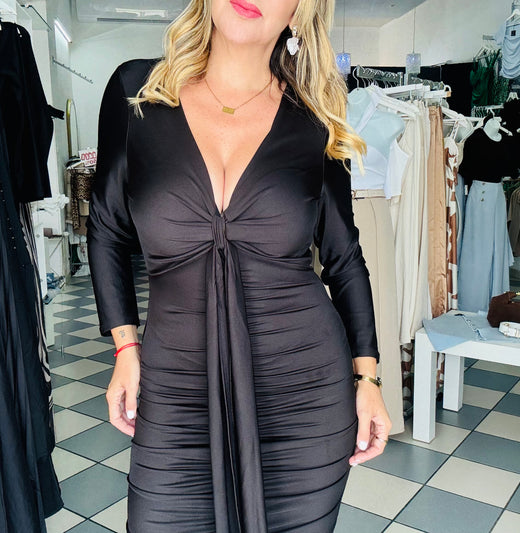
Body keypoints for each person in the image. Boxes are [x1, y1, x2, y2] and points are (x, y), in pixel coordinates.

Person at [87, 1, 392, 531]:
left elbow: (344, 258)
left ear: (299, 12)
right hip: (174, 393)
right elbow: (107, 228)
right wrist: (125, 347)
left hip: (303, 396)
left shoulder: (314, 118)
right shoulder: (137, 92)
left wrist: (368, 378)